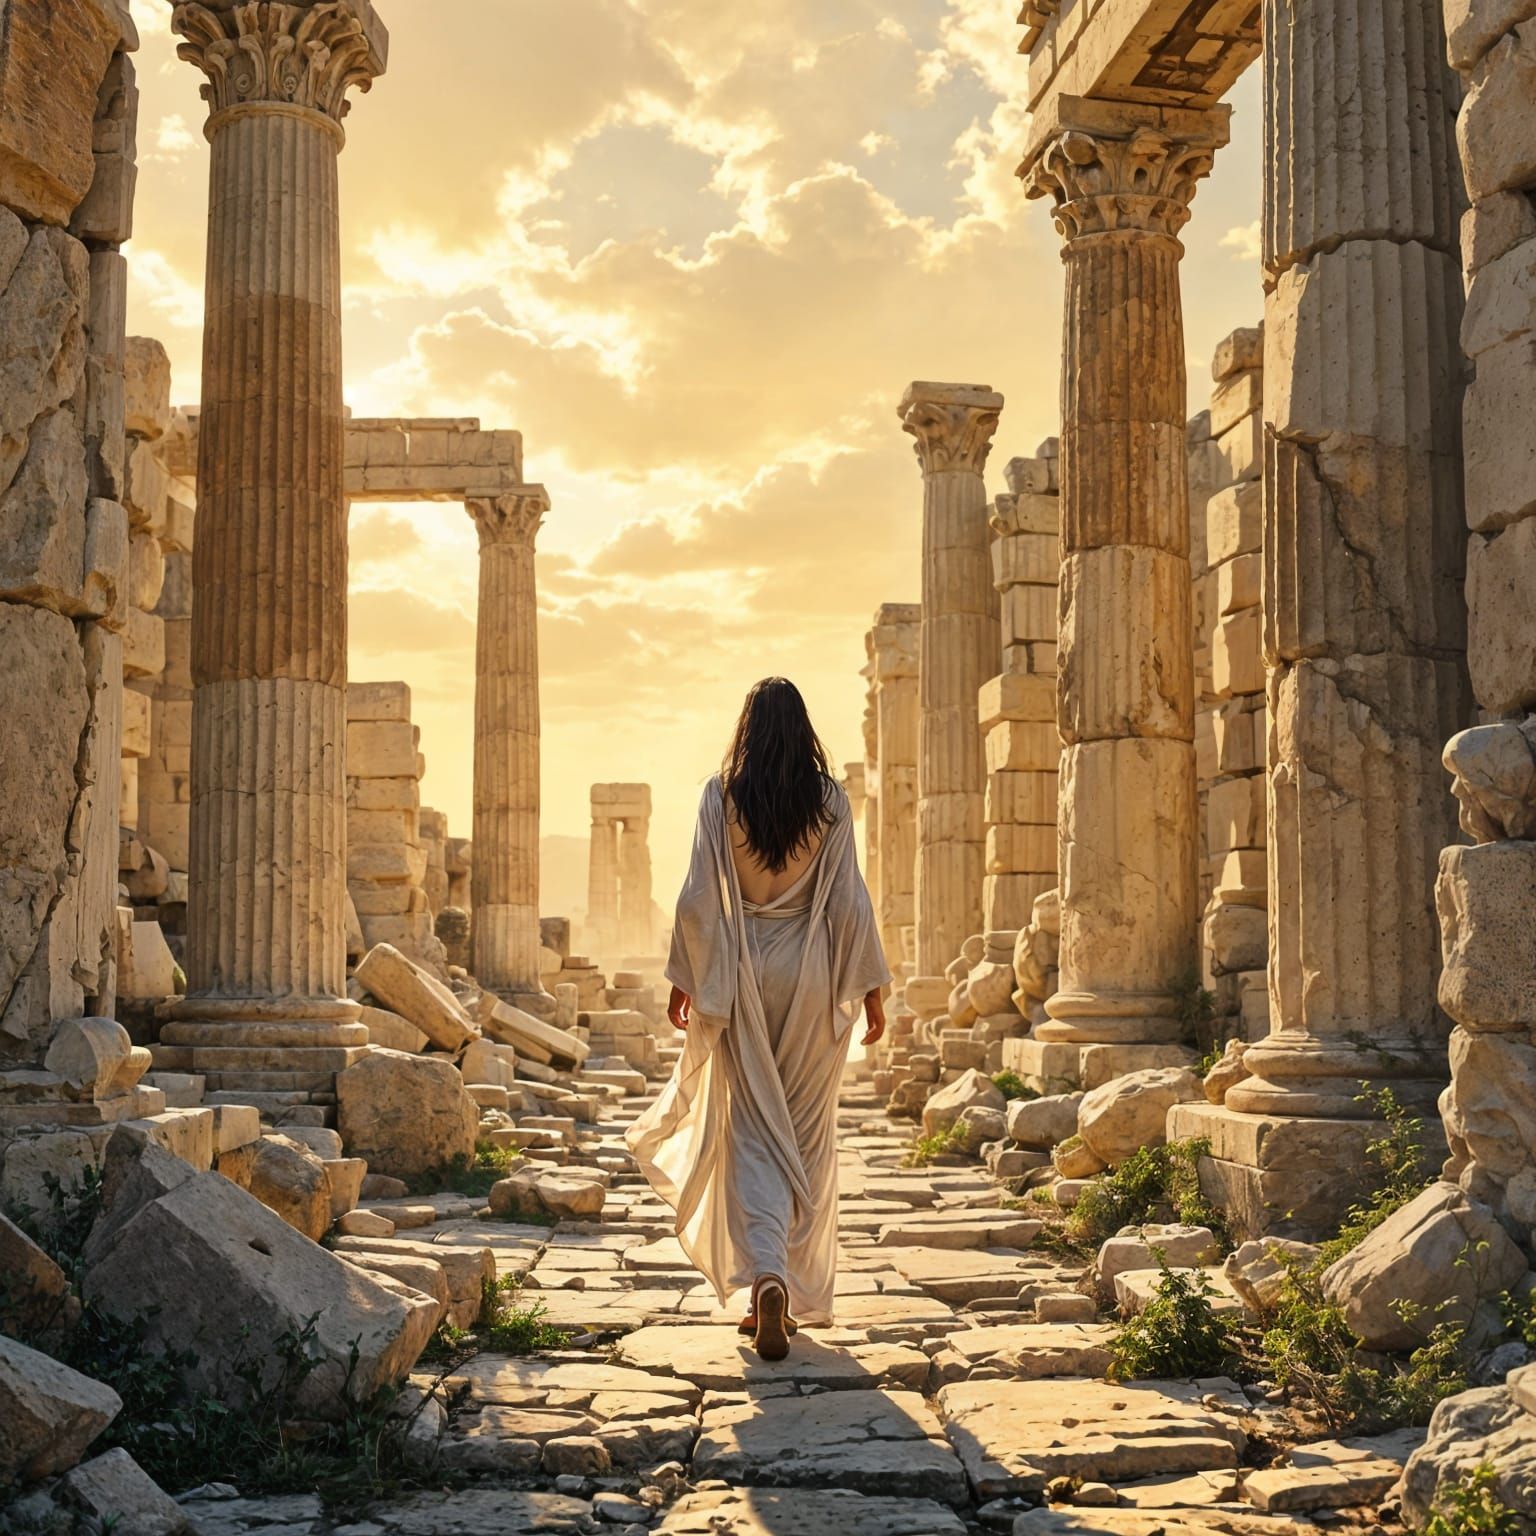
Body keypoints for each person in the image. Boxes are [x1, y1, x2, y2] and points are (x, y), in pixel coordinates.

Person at [625, 678, 890, 1361]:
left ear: (748, 727)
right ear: (804, 731)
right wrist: (872, 993)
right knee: (803, 1132)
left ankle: (766, 1276)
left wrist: (686, 979)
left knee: (751, 1129)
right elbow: (849, 903)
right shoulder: (829, 801)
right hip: (812, 969)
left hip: (743, 969)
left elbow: (696, 898)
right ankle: (789, 1284)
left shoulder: (721, 797)